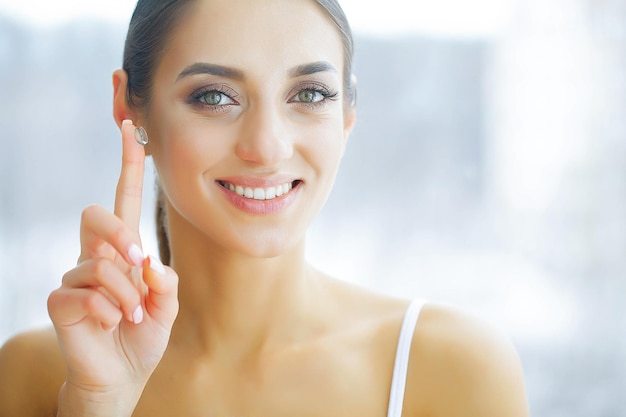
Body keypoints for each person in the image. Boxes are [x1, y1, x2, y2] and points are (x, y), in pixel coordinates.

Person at [0, 0, 529, 416]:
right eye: (214, 96)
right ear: (129, 108)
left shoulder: (450, 369)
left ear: (346, 115)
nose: (268, 146)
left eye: (311, 94)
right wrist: (96, 404)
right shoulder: (36, 374)